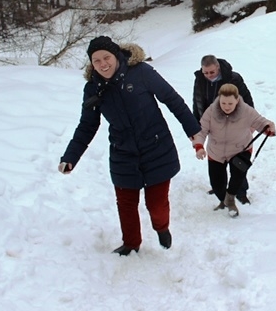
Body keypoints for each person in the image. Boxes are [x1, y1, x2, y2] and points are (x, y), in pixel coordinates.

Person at [59, 36, 201, 256]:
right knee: (125, 204)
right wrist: (70, 157)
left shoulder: (142, 72)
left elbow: (172, 99)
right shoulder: (93, 89)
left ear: (116, 55)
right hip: (123, 152)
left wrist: (193, 130)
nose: (103, 64)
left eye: (106, 57)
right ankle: (131, 243)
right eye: (96, 61)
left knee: (156, 203)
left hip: (156, 147)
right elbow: (87, 126)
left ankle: (162, 228)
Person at [193, 83, 276, 218]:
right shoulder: (211, 111)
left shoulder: (246, 111)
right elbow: (201, 130)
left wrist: (269, 127)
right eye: (223, 103)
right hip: (216, 151)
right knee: (217, 183)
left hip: (241, 148)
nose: (226, 106)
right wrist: (199, 146)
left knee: (237, 176)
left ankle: (231, 199)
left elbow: (260, 122)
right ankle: (223, 200)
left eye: (230, 103)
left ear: (237, 100)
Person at [192, 55, 254, 204]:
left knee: (237, 161)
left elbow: (248, 100)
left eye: (211, 72)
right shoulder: (200, 80)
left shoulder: (233, 78)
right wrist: (195, 127)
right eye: (205, 73)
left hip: (235, 125)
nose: (208, 76)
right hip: (213, 126)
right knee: (218, 160)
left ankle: (241, 191)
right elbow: (197, 102)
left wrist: (250, 124)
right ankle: (220, 187)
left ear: (218, 67)